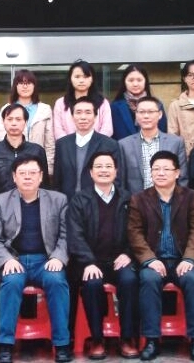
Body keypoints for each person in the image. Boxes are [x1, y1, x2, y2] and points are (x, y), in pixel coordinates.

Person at [127, 151, 194, 361]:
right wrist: (150, 260)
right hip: (155, 260)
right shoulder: (139, 199)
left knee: (193, 280)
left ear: (177, 172)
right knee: (148, 279)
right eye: (156, 169)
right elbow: (135, 233)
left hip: (183, 260)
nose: (161, 173)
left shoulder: (192, 197)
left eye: (166, 169)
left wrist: (189, 259)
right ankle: (152, 340)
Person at [0, 155, 72, 363]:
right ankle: (5, 344)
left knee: (57, 282)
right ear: (14, 177)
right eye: (22, 173)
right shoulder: (0, 201)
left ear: (41, 176)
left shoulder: (58, 200)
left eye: (32, 173)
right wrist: (7, 260)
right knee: (10, 284)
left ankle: (62, 344)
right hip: (15, 260)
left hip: (45, 261)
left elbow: (66, 235)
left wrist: (58, 257)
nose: (28, 177)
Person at [66, 152, 138, 359]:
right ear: (91, 172)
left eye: (108, 166)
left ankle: (127, 337)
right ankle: (96, 339)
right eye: (99, 166)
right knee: (92, 283)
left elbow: (138, 231)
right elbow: (75, 234)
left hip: (119, 260)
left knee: (130, 280)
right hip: (90, 262)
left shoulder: (129, 198)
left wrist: (128, 253)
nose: (104, 170)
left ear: (116, 171)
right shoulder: (80, 200)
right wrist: (88, 261)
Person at [53, 97, 122, 200]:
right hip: (68, 202)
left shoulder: (109, 144)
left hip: (98, 202)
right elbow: (57, 180)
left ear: (95, 116)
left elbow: (116, 179)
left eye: (88, 112)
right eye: (78, 112)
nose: (83, 117)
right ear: (72, 116)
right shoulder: (62, 144)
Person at [118, 97, 188, 193]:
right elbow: (121, 180)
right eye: (141, 112)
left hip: (169, 198)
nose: (146, 116)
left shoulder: (175, 142)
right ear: (136, 115)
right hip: (135, 199)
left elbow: (182, 177)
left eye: (151, 112)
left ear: (160, 114)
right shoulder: (124, 144)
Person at [0, 69, 55, 173]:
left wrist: (49, 169)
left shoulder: (45, 109)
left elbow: (49, 143)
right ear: (15, 86)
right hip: (12, 165)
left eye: (28, 83)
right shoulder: (6, 109)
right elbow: (2, 139)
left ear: (34, 86)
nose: (25, 86)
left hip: (38, 164)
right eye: (21, 83)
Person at [0, 104, 48, 195]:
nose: (14, 123)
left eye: (18, 119)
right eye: (9, 119)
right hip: (0, 202)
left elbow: (44, 186)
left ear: (25, 122)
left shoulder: (37, 151)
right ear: (3, 122)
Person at [53, 60, 112, 139]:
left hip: (98, 146)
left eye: (85, 77)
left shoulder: (103, 102)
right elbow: (58, 131)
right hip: (67, 146)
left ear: (92, 79)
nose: (81, 81)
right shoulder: (61, 103)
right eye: (77, 77)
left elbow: (107, 129)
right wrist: (70, 144)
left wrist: (93, 144)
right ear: (70, 79)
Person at [110, 64, 167, 140]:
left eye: (139, 80)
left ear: (145, 81)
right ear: (124, 82)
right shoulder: (115, 107)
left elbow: (163, 130)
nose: (135, 84)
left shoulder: (157, 104)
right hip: (123, 147)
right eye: (131, 80)